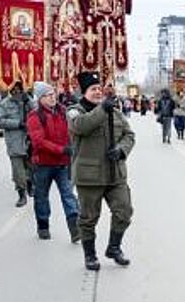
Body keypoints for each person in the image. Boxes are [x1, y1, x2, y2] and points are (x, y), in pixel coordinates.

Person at [67, 71, 135, 271]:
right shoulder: (74, 111)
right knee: (88, 218)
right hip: (89, 177)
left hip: (115, 174)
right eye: (93, 89)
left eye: (99, 89)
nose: (98, 92)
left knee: (124, 211)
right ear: (83, 91)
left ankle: (114, 248)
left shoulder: (114, 111)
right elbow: (81, 127)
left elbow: (129, 134)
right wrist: (102, 110)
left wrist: (122, 150)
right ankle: (90, 255)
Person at [26, 82, 80, 241]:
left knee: (68, 195)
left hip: (62, 163)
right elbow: (39, 142)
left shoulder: (63, 112)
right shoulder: (34, 116)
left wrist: (71, 146)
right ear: (40, 98)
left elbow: (73, 130)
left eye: (53, 94)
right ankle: (43, 225)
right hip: (43, 164)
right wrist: (61, 149)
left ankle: (74, 228)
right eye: (48, 95)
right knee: (41, 196)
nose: (52, 97)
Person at [0, 81, 35, 207]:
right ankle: (21, 194)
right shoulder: (4, 104)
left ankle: (30, 184)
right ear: (10, 90)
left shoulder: (27, 100)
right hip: (14, 142)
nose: (17, 92)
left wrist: (28, 100)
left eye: (19, 89)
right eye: (14, 89)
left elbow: (37, 112)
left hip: (29, 140)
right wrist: (18, 123)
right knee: (18, 171)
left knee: (31, 167)